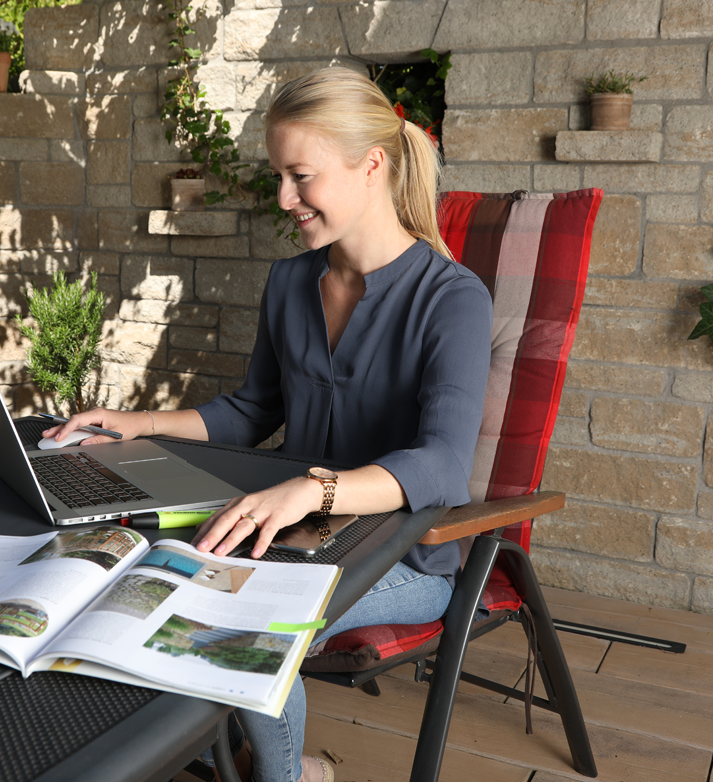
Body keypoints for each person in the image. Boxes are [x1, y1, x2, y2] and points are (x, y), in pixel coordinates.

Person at [44, 67, 492, 782]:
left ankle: (279, 773)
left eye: (301, 176)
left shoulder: (452, 298)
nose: (285, 199)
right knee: (136, 586)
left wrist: (311, 491)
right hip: (280, 531)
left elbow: (441, 466)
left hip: (403, 557)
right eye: (280, 176)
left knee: (239, 624)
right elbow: (254, 411)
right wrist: (133, 423)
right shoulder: (291, 282)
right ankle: (254, 761)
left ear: (371, 164)